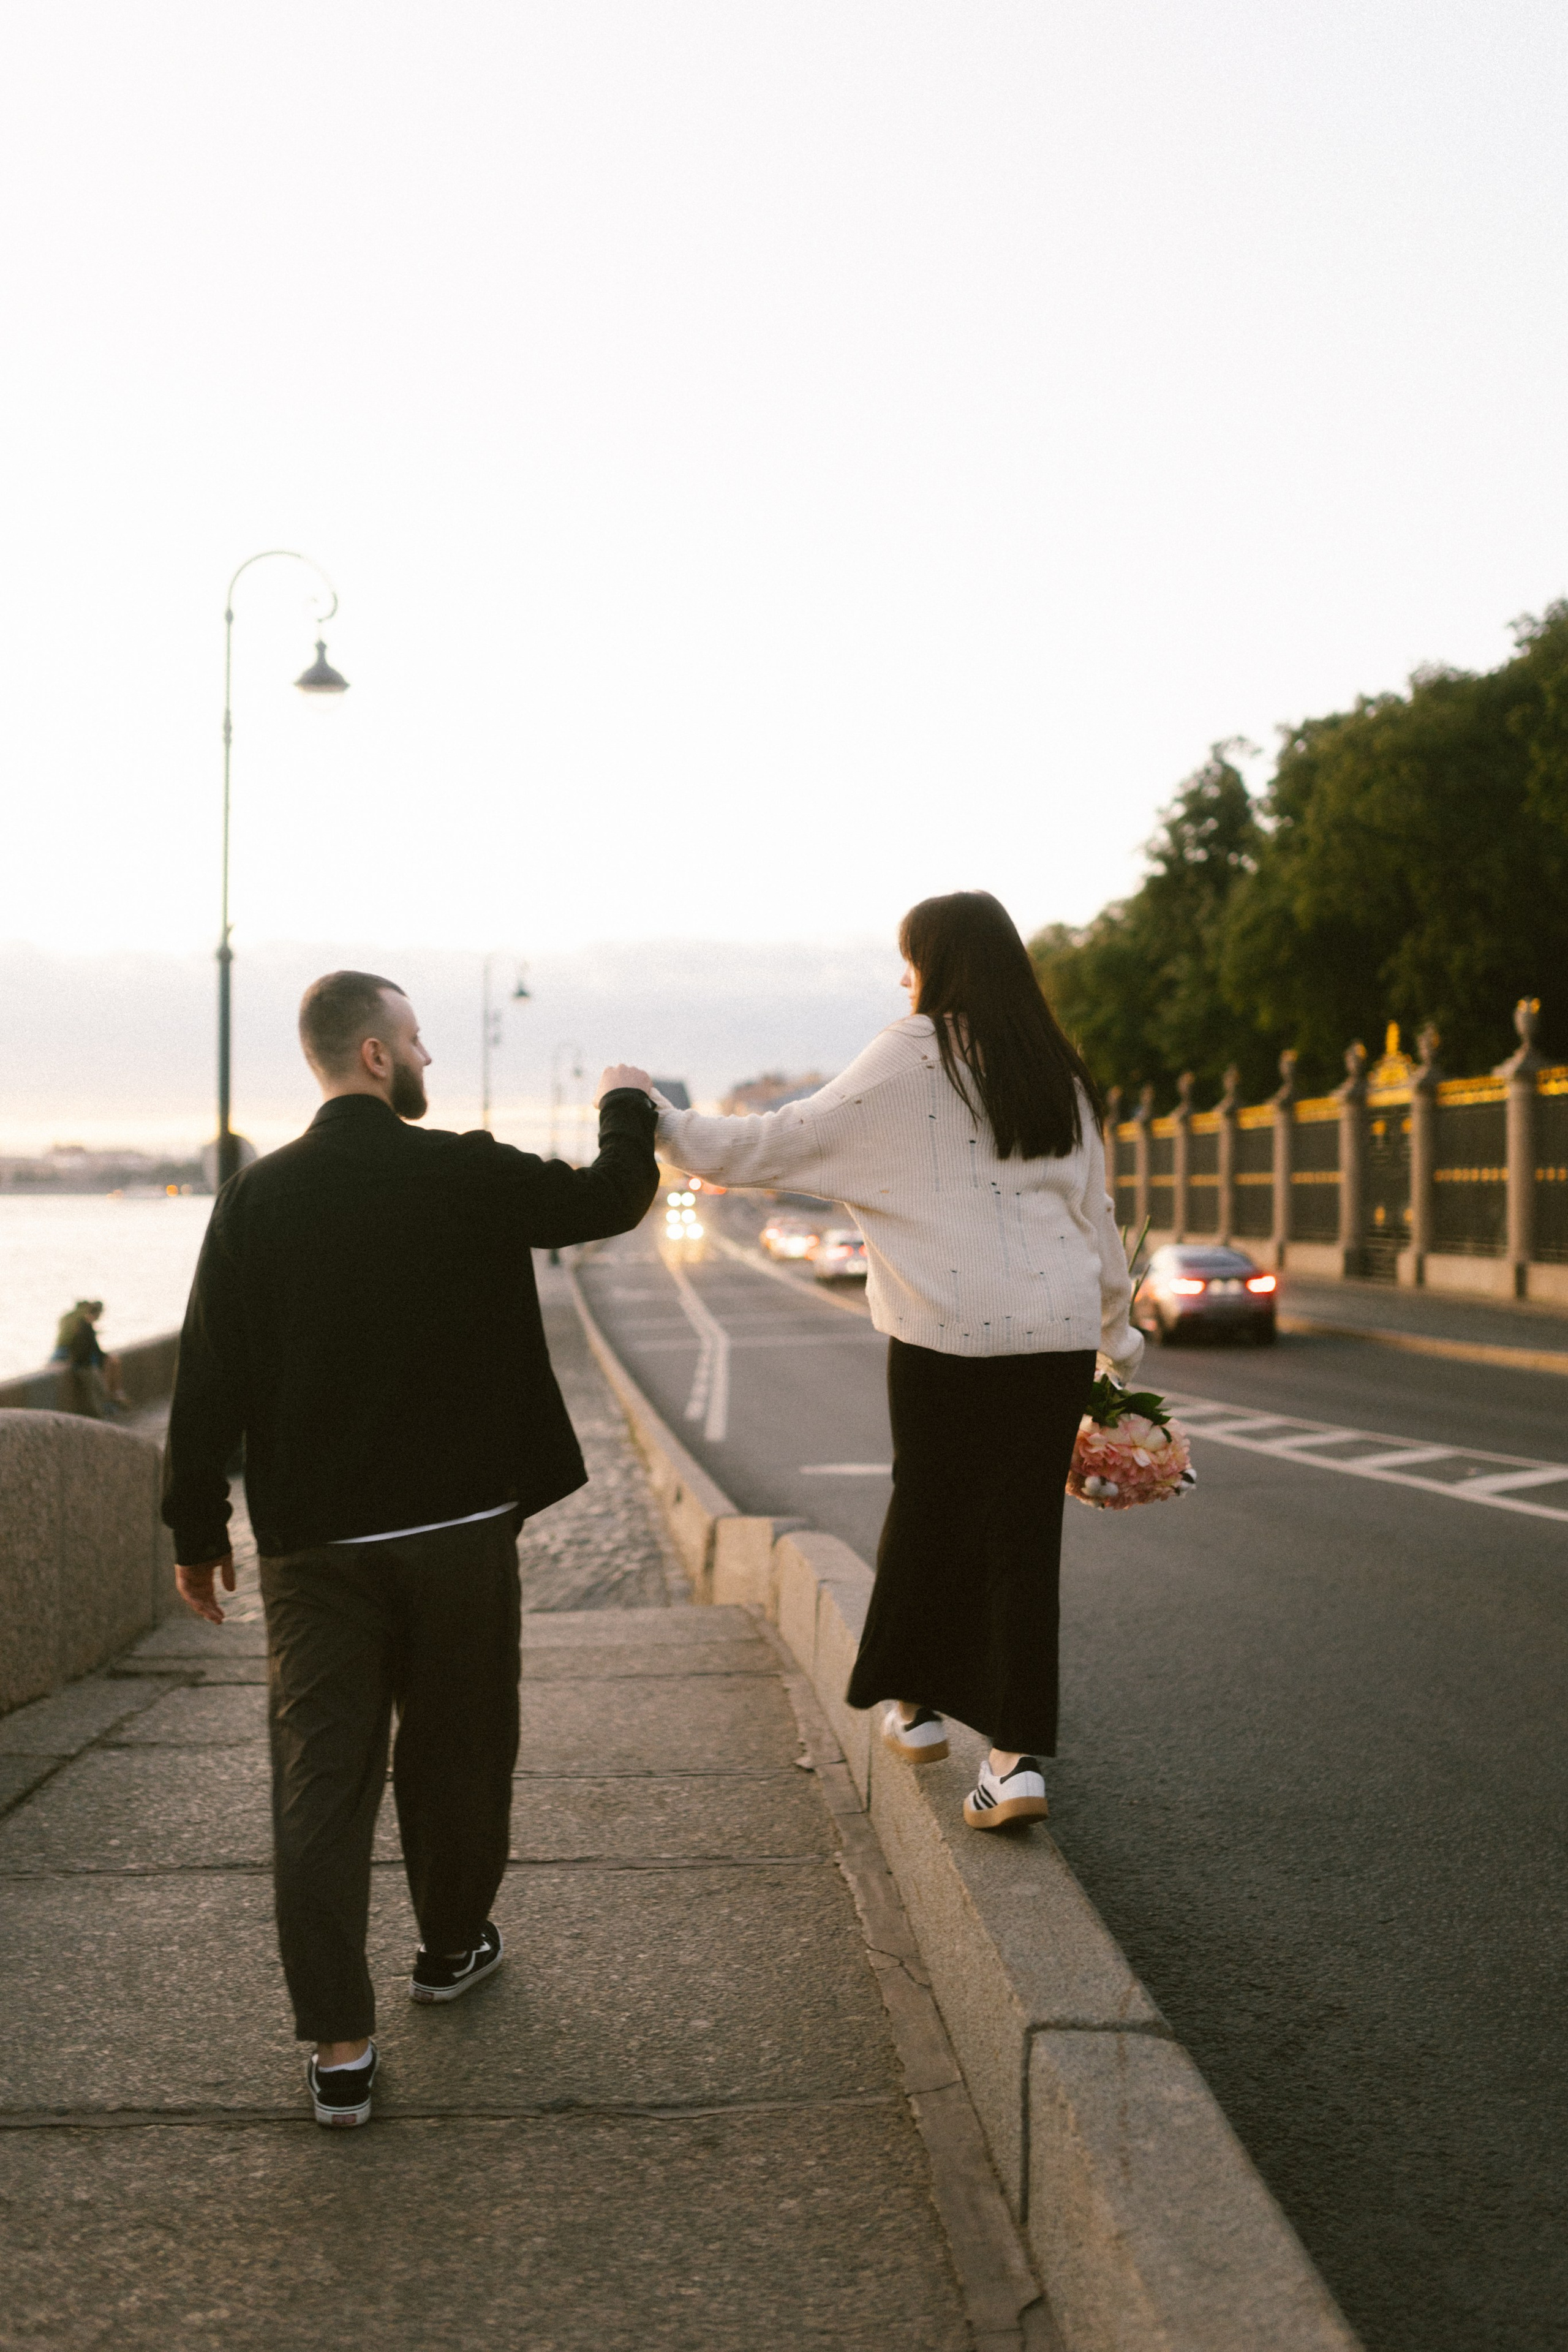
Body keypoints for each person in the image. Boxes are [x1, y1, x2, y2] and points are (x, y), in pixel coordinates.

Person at [161, 970, 658, 2128]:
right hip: (455, 1533)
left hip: (313, 1547)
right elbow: (608, 1199)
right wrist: (627, 1102)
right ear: (378, 1057)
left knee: (321, 1782)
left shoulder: (255, 1201)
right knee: (461, 1748)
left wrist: (197, 1529)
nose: (428, 1054)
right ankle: (448, 1952)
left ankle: (341, 2047)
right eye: (418, 1038)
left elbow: (206, 1374)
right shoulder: (462, 1171)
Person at [653, 891, 1142, 1831]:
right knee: (1021, 1542)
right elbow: (1098, 1221)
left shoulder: (910, 1056)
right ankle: (1010, 1761)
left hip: (946, 1338)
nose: (902, 978)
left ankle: (914, 1714)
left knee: (928, 1514)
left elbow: (773, 1143)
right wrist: (1117, 1345)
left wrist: (648, 1112)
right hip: (1053, 1339)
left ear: (939, 964)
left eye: (908, 959)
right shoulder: (1057, 1073)